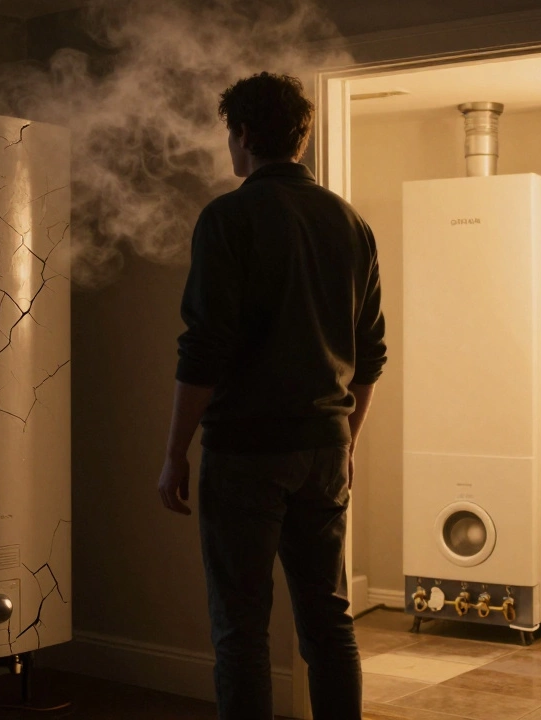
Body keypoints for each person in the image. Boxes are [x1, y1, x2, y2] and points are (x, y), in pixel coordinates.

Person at [157, 71, 386, 720]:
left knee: (242, 631)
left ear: (245, 134)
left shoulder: (228, 218)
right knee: (329, 625)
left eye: (229, 133)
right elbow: (370, 356)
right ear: (302, 137)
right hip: (323, 449)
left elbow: (204, 348)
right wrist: (347, 445)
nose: (228, 146)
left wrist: (175, 453)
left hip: (247, 455)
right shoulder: (351, 224)